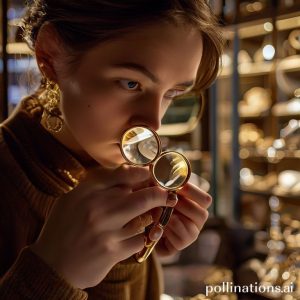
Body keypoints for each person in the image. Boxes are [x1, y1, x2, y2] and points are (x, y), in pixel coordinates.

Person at [0, 1, 223, 299]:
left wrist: (135, 251)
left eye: (172, 94)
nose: (153, 122)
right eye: (131, 83)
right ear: (51, 56)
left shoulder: (125, 184)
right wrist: (50, 273)